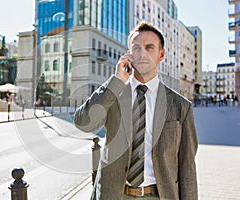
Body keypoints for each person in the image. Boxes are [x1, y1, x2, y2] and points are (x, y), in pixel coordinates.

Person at [74, 21, 198, 199]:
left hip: (159, 195)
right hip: (114, 195)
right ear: (129, 54)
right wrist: (116, 81)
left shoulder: (181, 106)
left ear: (161, 55)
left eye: (149, 48)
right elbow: (83, 123)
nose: (142, 53)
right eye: (136, 48)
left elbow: (187, 169)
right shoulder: (113, 94)